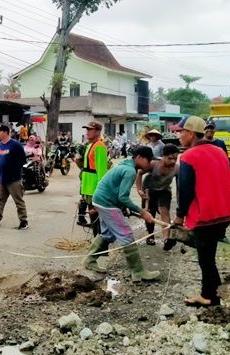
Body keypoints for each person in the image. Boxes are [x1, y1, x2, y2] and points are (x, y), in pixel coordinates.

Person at [174, 116, 230, 306]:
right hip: (225, 213)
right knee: (209, 252)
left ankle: (208, 296)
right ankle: (215, 290)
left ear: (191, 133)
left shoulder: (188, 156)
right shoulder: (219, 151)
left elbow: (185, 190)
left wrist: (179, 215)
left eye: (181, 131)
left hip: (206, 216)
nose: (178, 135)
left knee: (205, 258)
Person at [83, 146, 160, 282]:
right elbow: (123, 197)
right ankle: (138, 271)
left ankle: (89, 260)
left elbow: (118, 194)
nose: (150, 164)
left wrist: (125, 208)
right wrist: (142, 212)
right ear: (139, 158)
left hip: (101, 200)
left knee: (108, 234)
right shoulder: (130, 171)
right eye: (148, 160)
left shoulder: (125, 165)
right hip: (107, 203)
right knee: (126, 235)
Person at [0, 124, 28, 230]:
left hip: (13, 179)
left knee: (18, 200)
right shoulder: (0, 145)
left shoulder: (16, 145)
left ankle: (23, 221)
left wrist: (13, 168)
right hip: (2, 178)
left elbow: (23, 160)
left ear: (5, 132)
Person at [136, 144, 179, 246]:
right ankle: (150, 236)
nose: (173, 161)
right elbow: (139, 173)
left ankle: (166, 239)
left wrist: (180, 201)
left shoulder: (177, 169)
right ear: (163, 156)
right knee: (150, 214)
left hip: (164, 190)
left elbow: (179, 187)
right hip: (149, 191)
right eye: (170, 158)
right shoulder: (154, 164)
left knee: (164, 211)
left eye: (175, 159)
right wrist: (139, 189)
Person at [77, 121, 108, 235]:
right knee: (92, 214)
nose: (87, 132)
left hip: (95, 186)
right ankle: (97, 239)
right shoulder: (90, 145)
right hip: (87, 186)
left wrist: (100, 189)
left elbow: (102, 171)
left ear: (98, 131)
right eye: (87, 130)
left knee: (96, 215)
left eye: (90, 130)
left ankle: (100, 243)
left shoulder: (100, 146)